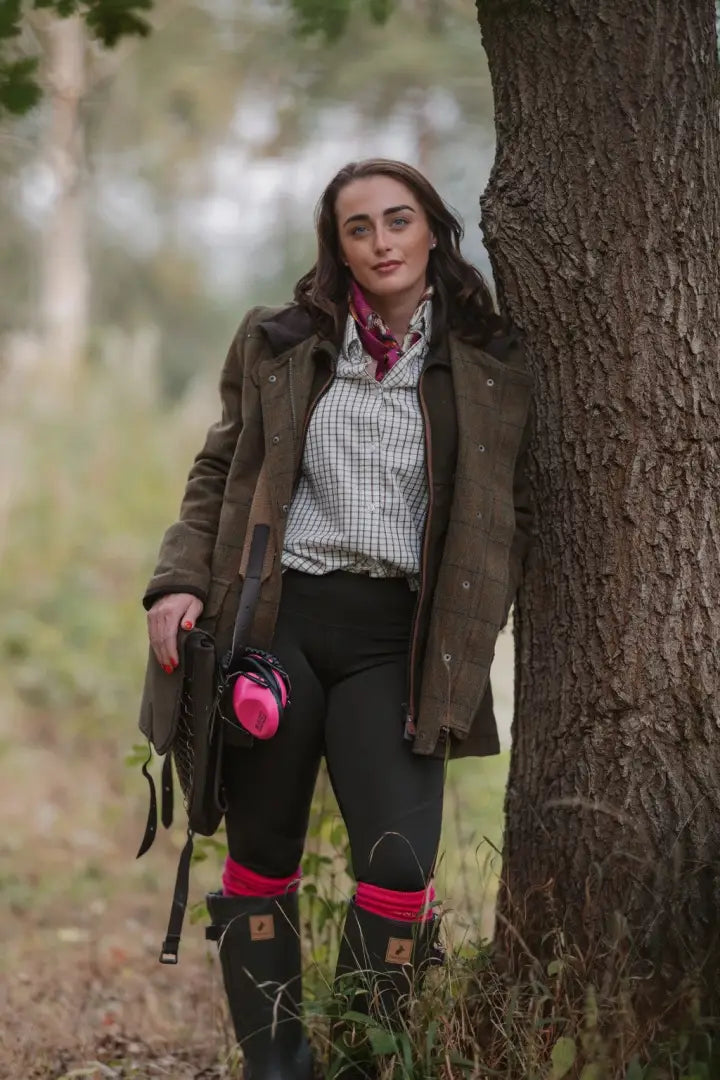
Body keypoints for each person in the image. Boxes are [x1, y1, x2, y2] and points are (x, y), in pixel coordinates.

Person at [142, 158, 534, 1080]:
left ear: (433, 229)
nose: (382, 242)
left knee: (399, 866)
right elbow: (217, 473)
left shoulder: (486, 359)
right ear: (339, 246)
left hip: (399, 639)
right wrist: (176, 581)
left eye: (399, 221)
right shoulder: (281, 340)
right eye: (359, 228)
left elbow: (515, 507)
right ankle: (277, 1065)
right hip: (278, 625)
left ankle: (363, 1060)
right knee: (262, 852)